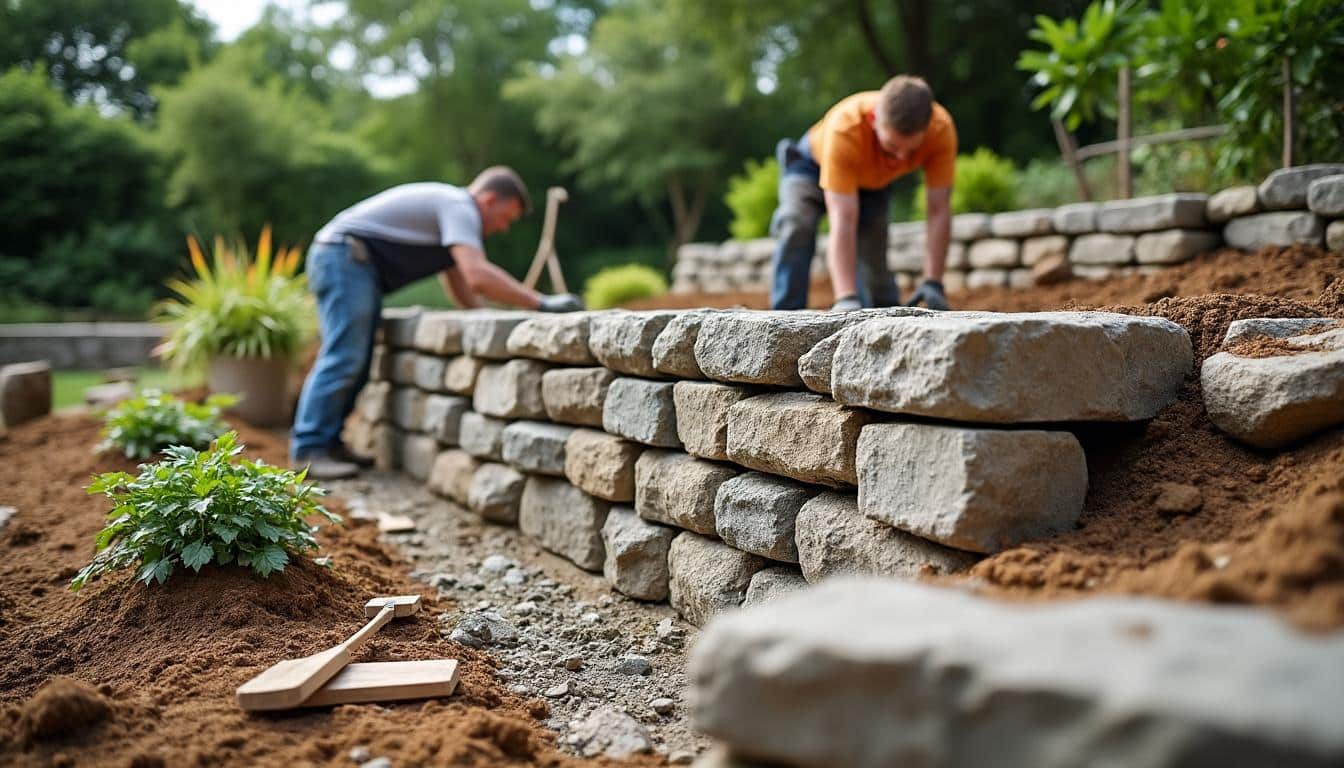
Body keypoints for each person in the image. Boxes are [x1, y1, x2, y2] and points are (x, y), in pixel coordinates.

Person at [290, 166, 583, 478]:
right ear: (489, 199)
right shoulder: (459, 206)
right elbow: (477, 275)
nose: (502, 227)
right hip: (343, 257)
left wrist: (483, 319)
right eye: (505, 217)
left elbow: (459, 281)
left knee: (357, 360)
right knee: (345, 356)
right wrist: (541, 302)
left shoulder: (450, 214)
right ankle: (310, 449)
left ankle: (329, 443)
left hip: (350, 261)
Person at [770, 75, 956, 312]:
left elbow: (939, 209)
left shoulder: (941, 130)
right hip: (809, 168)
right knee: (796, 224)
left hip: (870, 182)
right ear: (873, 119)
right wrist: (846, 298)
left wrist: (934, 282)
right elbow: (843, 219)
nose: (901, 159)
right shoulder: (846, 127)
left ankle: (887, 317)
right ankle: (785, 318)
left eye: (912, 150)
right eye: (892, 147)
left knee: (875, 260)